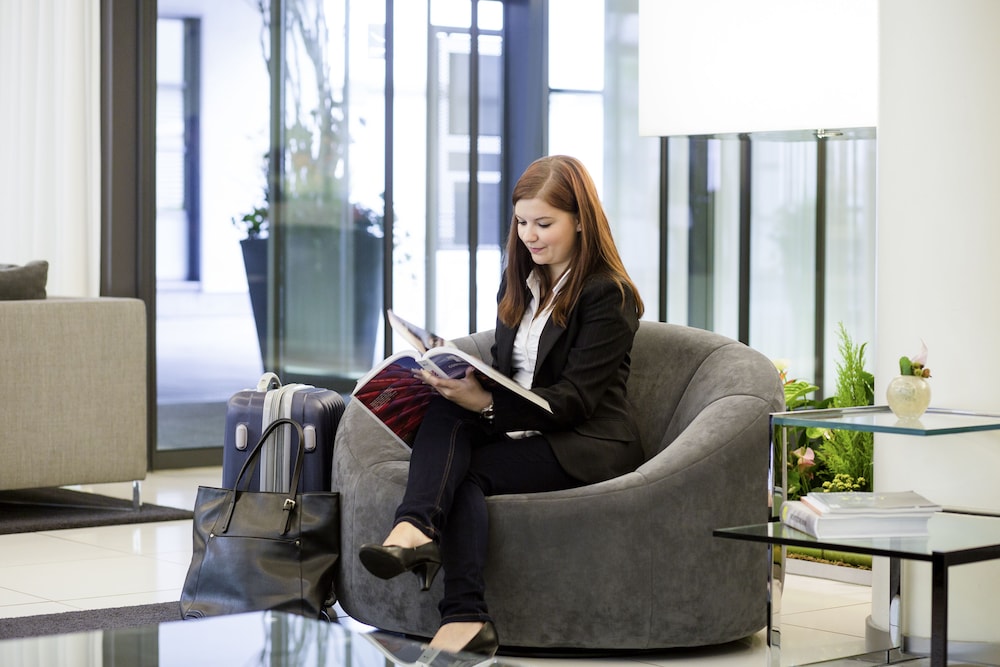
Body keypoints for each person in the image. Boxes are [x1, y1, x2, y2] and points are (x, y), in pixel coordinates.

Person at [358, 154, 645, 658]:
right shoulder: (520, 283)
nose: (530, 235)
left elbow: (576, 401)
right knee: (445, 411)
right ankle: (419, 531)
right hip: (523, 425)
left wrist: (487, 406)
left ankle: (461, 609)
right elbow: (508, 370)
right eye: (521, 222)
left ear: (581, 219)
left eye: (544, 223)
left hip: (581, 442)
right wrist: (458, 379)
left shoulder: (608, 295)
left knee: (466, 473)